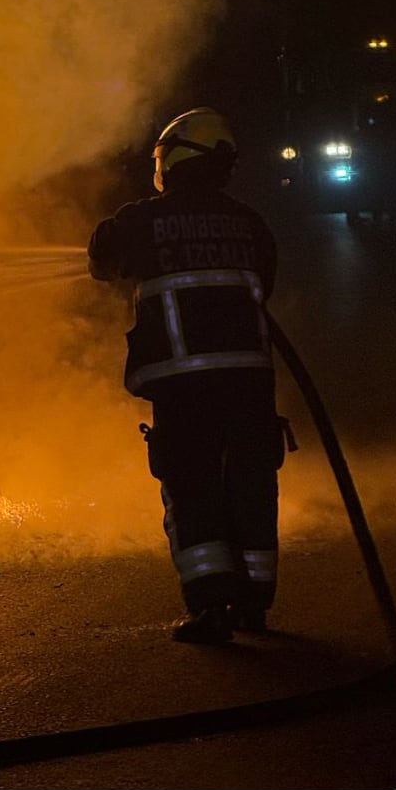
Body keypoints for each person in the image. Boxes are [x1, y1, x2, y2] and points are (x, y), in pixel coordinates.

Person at [87, 108, 288, 645]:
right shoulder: (249, 223)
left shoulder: (141, 221)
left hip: (183, 385)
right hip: (249, 381)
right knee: (250, 484)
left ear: (173, 158)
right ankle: (254, 604)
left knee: (192, 486)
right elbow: (263, 284)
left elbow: (102, 261)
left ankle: (211, 607)